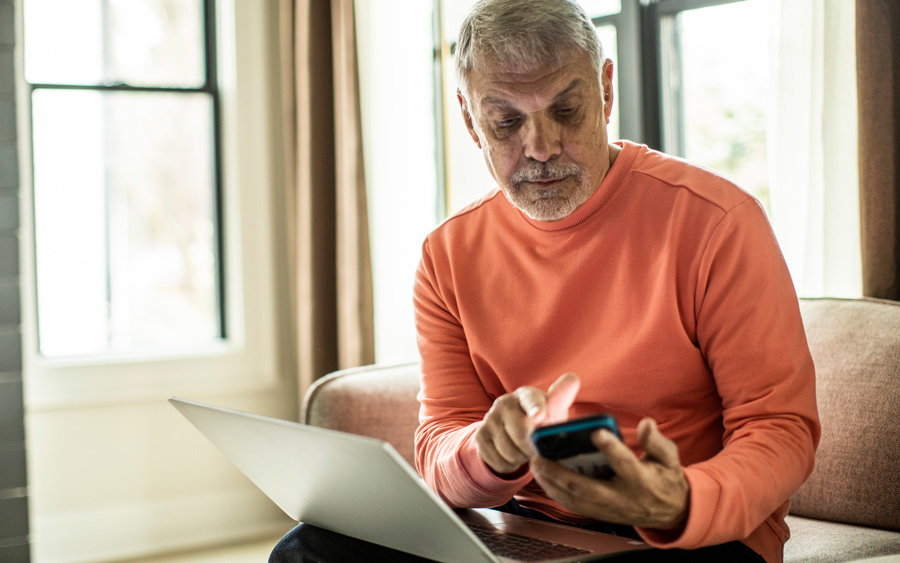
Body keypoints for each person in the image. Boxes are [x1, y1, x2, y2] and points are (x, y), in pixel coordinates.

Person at [271, 0, 820, 561]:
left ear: (606, 91)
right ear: (468, 118)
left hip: (686, 532)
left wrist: (677, 502)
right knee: (309, 550)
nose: (541, 147)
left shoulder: (718, 222)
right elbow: (440, 440)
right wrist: (484, 454)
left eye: (566, 110)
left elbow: (780, 429)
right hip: (523, 524)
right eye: (506, 122)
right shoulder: (447, 254)